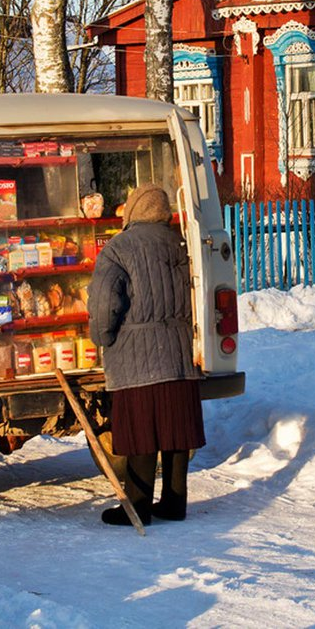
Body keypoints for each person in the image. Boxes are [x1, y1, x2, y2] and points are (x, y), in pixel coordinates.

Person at [88, 183, 205, 526]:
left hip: (136, 355)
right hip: (180, 354)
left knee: (141, 431)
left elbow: (105, 301)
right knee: (175, 430)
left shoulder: (118, 249)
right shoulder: (182, 244)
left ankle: (137, 506)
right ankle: (174, 501)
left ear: (135, 210)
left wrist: (103, 336)